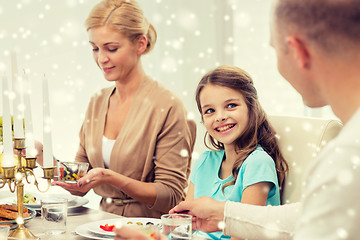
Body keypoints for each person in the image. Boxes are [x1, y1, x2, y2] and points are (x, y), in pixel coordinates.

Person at [169, 0, 360, 239]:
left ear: (298, 51)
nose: (220, 116)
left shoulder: (346, 156)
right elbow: (306, 216)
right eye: (209, 110)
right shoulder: (346, 155)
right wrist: (223, 214)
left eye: (275, 50)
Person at [53, 0, 196, 218]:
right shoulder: (97, 102)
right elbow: (79, 177)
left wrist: (111, 178)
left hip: (150, 229)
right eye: (94, 48)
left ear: (140, 44)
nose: (101, 58)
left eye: (112, 48)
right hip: (102, 225)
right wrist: (42, 158)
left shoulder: (168, 106)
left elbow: (172, 195)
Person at [185, 65, 288, 240]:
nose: (220, 117)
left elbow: (244, 234)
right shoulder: (204, 161)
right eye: (210, 110)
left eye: (231, 105)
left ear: (251, 107)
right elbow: (186, 224)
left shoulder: (258, 163)